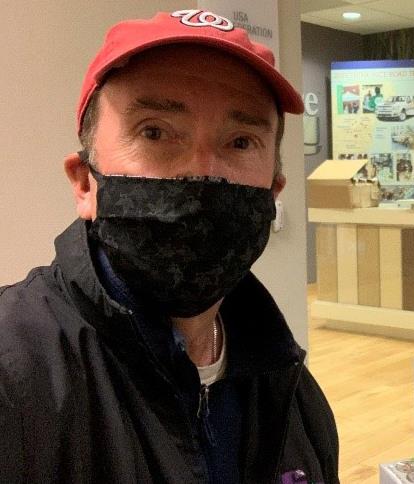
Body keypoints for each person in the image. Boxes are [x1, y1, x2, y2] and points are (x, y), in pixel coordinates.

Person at [0, 10, 338, 484]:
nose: (201, 172)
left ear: (273, 191)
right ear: (84, 183)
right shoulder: (14, 374)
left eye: (240, 141)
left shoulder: (288, 383)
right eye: (154, 131)